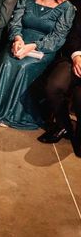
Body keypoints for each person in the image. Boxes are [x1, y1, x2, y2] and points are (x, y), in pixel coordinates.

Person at [0, 0, 76, 129]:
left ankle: (15, 115)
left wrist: (33, 46)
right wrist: (17, 39)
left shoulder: (66, 8)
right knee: (7, 61)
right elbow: (15, 22)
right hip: (19, 41)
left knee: (24, 66)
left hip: (43, 48)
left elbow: (58, 37)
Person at [39, 11, 81, 156]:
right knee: (53, 86)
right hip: (76, 60)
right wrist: (77, 56)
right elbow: (74, 35)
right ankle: (64, 125)